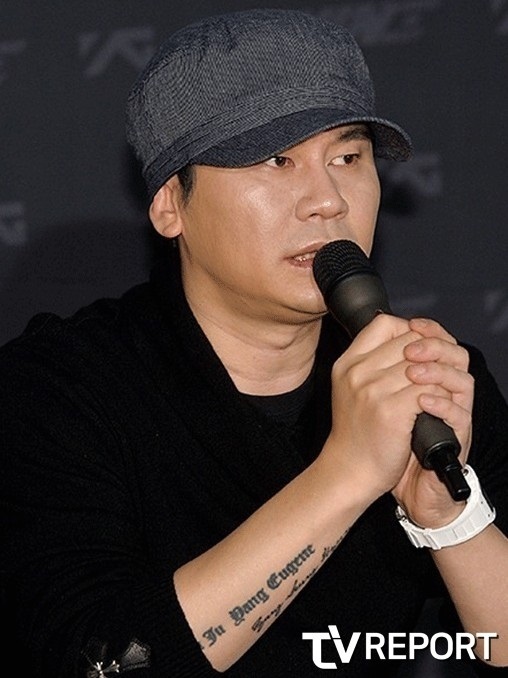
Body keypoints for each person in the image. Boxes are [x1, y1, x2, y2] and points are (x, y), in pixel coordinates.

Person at [1, 9, 507, 677]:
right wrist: (347, 474)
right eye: (276, 160)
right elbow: (107, 663)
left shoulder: (423, 377)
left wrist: (450, 522)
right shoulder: (57, 389)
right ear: (170, 204)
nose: (327, 200)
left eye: (348, 157)